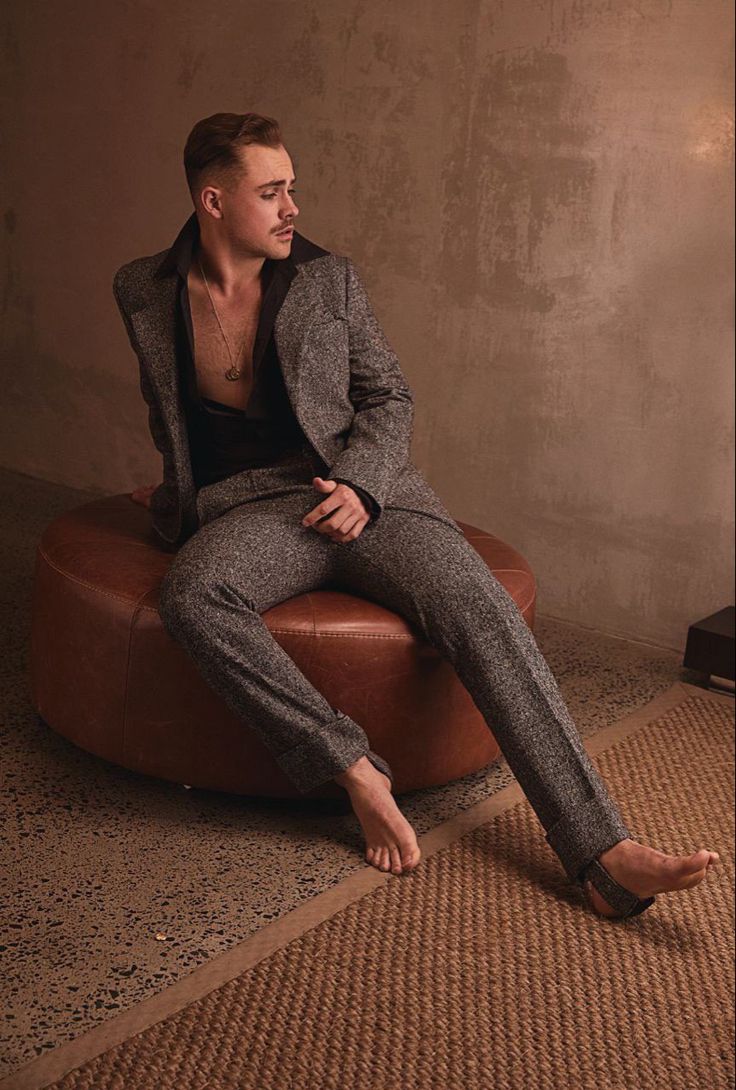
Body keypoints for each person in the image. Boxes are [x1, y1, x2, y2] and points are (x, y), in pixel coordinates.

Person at [115, 112, 719, 920]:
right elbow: (170, 417)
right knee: (193, 595)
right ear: (214, 201)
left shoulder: (330, 281)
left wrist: (362, 486)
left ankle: (605, 854)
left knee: (480, 608)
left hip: (369, 497)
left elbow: (388, 396)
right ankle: (356, 770)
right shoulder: (143, 290)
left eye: (293, 187)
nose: (294, 206)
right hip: (254, 511)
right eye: (272, 192)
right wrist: (179, 506)